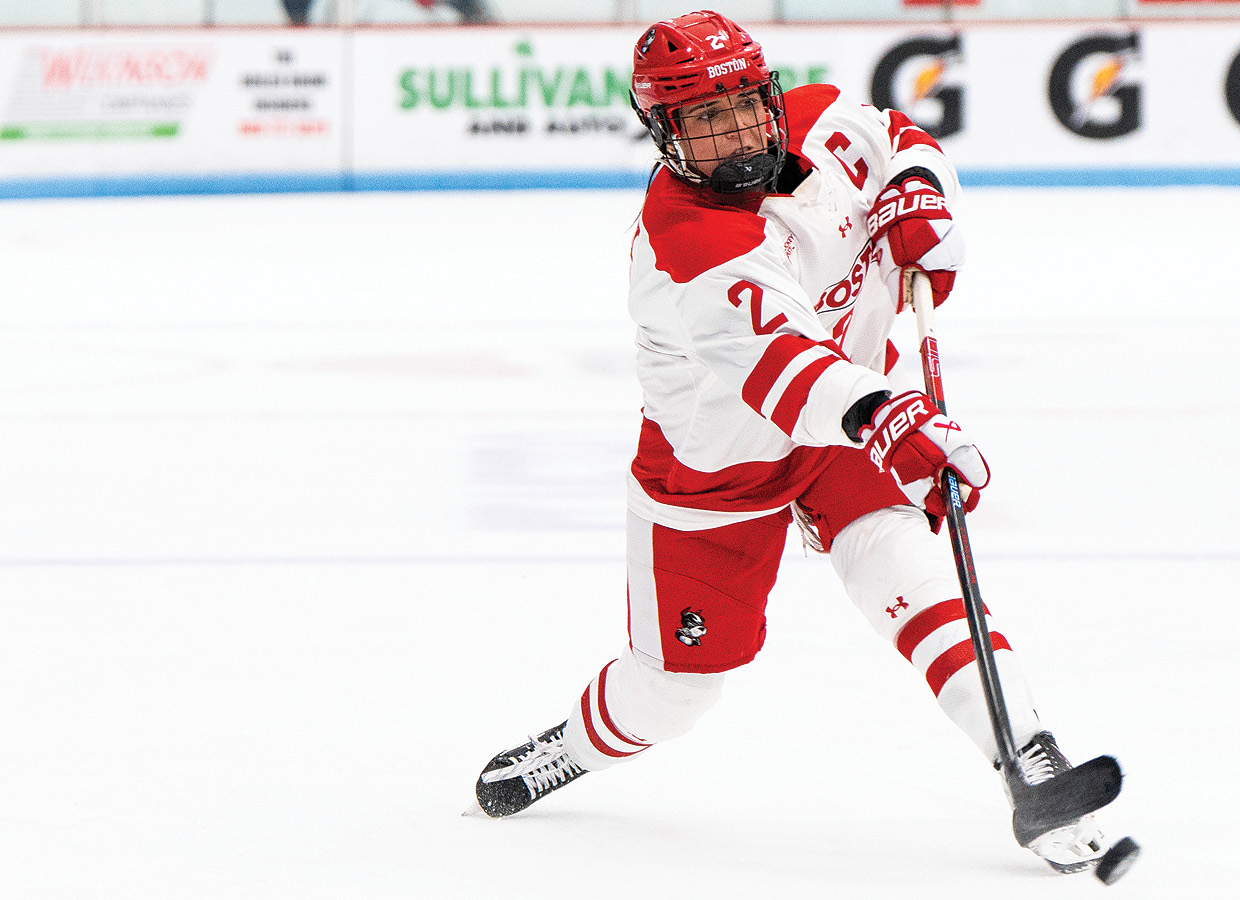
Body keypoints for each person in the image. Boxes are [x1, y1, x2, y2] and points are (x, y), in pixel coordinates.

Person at [473, 9, 1111, 874]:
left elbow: (903, 141)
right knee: (675, 694)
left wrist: (922, 198)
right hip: (720, 466)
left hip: (850, 418)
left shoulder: (826, 118)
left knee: (909, 568)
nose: (734, 133)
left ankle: (1028, 756)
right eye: (704, 119)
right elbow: (784, 369)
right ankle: (573, 747)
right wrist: (888, 419)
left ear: (769, 97)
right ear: (664, 134)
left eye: (742, 106)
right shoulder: (689, 242)